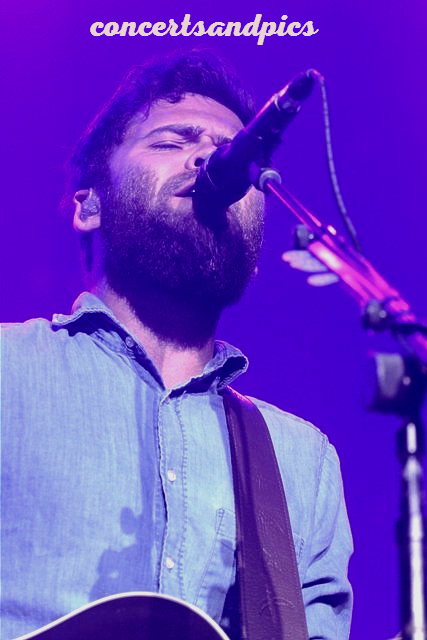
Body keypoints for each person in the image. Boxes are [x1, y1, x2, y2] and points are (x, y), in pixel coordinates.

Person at [1, 49, 353, 640]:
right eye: (172, 140)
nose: (211, 158)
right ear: (90, 207)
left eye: (232, 152)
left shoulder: (303, 462)